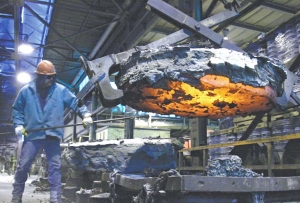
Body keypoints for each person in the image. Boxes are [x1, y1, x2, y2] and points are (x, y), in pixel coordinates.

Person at [11, 60, 93, 203]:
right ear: (39, 76)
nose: (50, 80)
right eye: (47, 77)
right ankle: (16, 197)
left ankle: (55, 199)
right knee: (23, 166)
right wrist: (19, 125)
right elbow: (17, 110)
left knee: (55, 168)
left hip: (52, 135)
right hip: (33, 135)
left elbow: (75, 103)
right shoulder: (26, 91)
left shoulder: (60, 90)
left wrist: (85, 115)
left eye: (52, 77)